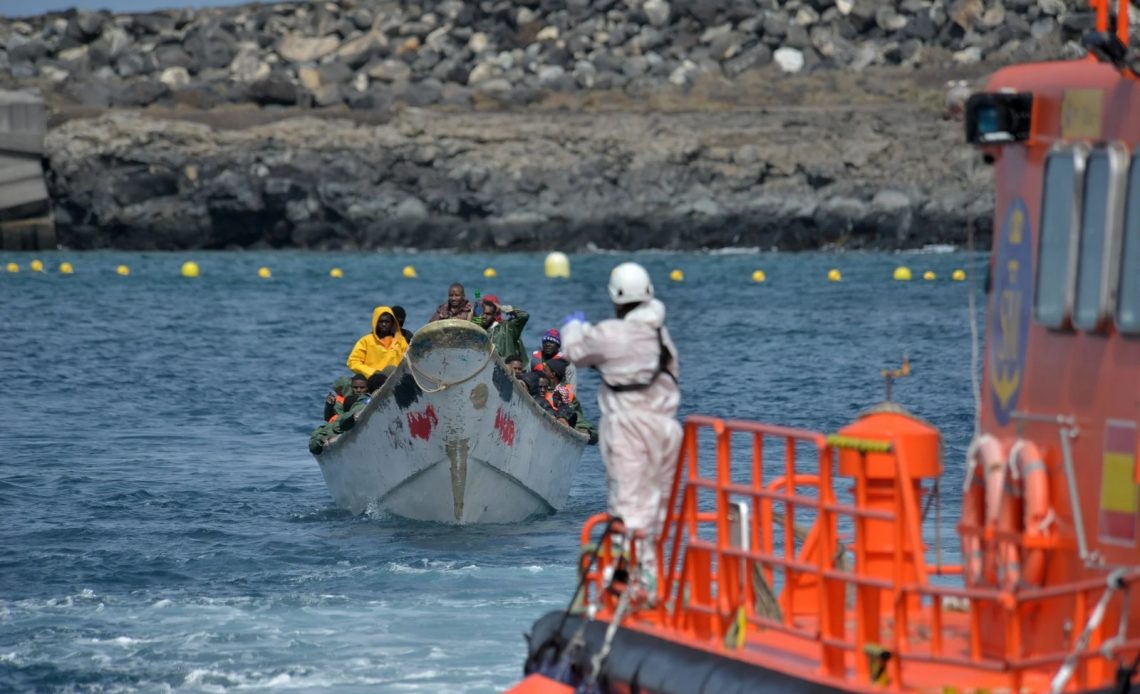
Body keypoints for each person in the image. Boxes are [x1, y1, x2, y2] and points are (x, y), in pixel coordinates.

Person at [561, 261, 681, 596]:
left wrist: (573, 326)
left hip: (629, 426)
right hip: (667, 429)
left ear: (616, 298)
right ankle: (653, 576)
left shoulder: (612, 333)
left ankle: (630, 581)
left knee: (628, 504)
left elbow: (575, 352)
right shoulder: (661, 335)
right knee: (657, 506)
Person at [541, 358, 597, 444]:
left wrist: (564, 418)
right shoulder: (542, 388)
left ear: (553, 374)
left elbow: (589, 429)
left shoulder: (566, 395)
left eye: (545, 371)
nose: (541, 373)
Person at [347, 306, 409, 378]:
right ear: (375, 322)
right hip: (371, 379)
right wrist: (372, 372)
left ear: (392, 323)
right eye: (381, 321)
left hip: (393, 379)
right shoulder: (366, 341)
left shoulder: (401, 341)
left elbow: (408, 362)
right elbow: (353, 362)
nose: (384, 324)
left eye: (387, 322)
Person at [472, 294, 529, 364]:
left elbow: (524, 315)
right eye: (482, 313)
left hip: (507, 370)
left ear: (494, 314)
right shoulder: (478, 331)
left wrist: (503, 308)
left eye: (488, 314)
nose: (484, 316)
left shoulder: (506, 328)